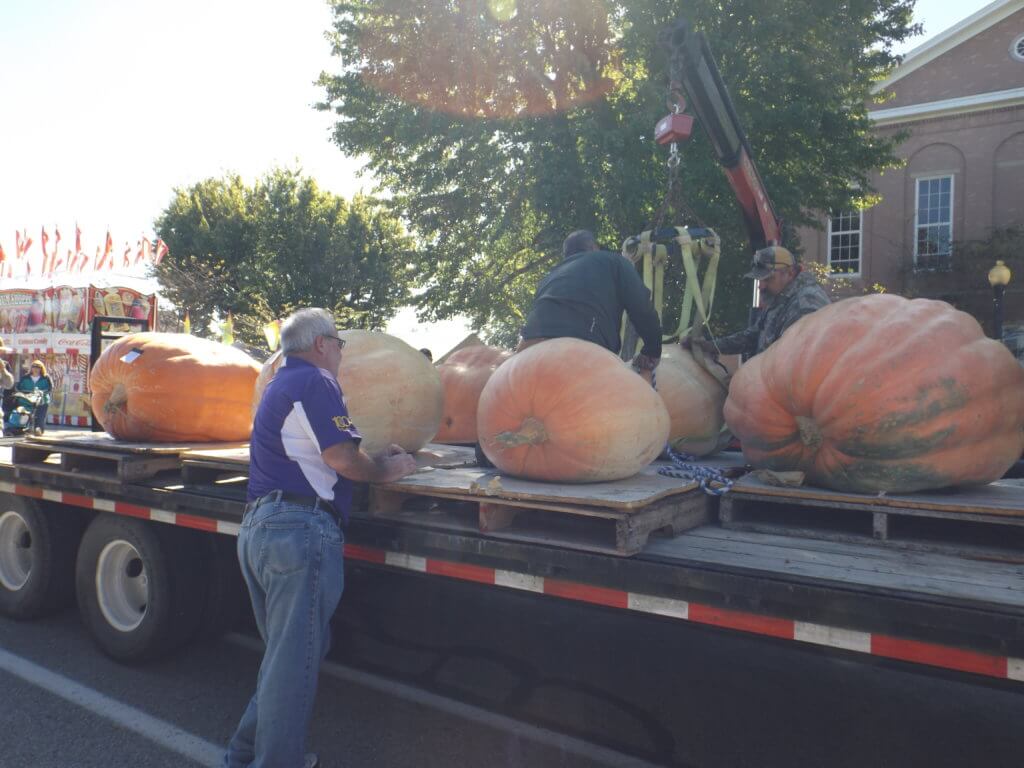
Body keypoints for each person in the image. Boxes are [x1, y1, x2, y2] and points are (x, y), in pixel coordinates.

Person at [225, 308, 417, 768]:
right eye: (339, 345)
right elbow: (342, 458)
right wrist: (385, 471)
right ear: (321, 344)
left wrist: (369, 456)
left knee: (289, 659)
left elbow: (324, 451)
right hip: (299, 529)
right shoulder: (317, 381)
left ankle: (244, 755)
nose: (340, 354)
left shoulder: (280, 385)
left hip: (262, 527)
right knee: (293, 665)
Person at [519, 229, 662, 370]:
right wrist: (652, 351)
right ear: (594, 247)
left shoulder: (548, 277)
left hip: (525, 353)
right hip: (582, 351)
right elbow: (641, 307)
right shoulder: (615, 262)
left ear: (566, 255)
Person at [684, 245, 830, 360]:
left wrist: (746, 381)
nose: (761, 286)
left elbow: (792, 360)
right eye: (759, 280)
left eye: (767, 279)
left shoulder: (806, 305)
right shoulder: (781, 298)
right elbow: (752, 337)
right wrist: (711, 346)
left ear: (790, 273)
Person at [16, 360, 52, 435]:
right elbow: (18, 387)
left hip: (42, 401)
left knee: (40, 417)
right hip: (27, 400)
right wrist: (23, 393)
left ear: (41, 368)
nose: (35, 369)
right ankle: (23, 429)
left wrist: (42, 392)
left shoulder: (46, 377)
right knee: (25, 415)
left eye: (38, 367)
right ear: (31, 368)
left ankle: (38, 431)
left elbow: (50, 388)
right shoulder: (25, 377)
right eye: (34, 367)